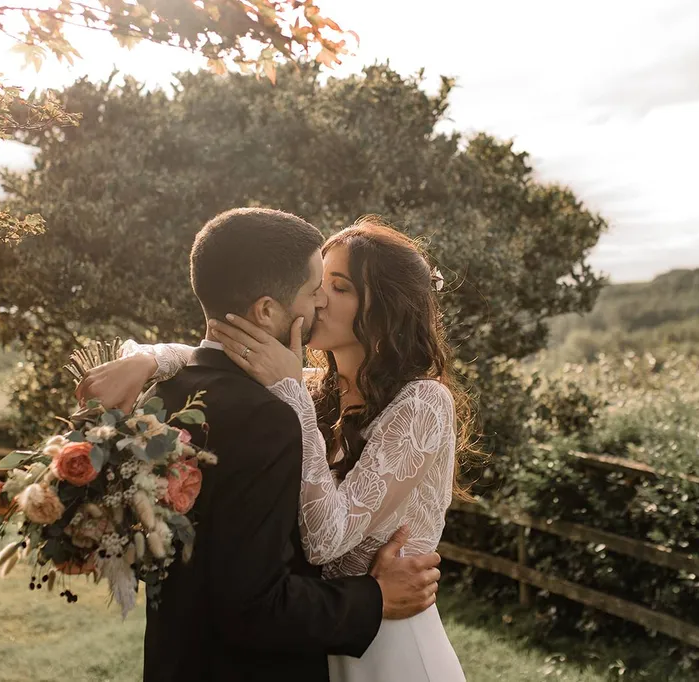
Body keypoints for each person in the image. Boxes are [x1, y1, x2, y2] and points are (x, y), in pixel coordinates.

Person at [79, 208, 442, 682]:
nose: (318, 300)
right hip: (318, 633)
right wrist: (149, 359)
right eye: (317, 284)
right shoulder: (308, 387)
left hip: (386, 640)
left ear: (386, 308)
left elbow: (327, 537)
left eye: (340, 287)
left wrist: (292, 392)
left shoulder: (423, 402)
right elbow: (220, 350)